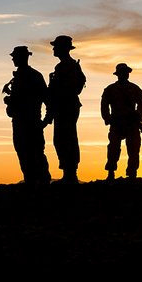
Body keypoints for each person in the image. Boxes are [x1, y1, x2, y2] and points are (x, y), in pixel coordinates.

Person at [2, 46, 52, 189]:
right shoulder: (20, 77)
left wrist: (46, 120)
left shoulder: (34, 76)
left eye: (15, 56)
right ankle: (32, 182)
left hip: (30, 121)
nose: (12, 59)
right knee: (23, 152)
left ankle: (42, 183)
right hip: (20, 121)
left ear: (22, 58)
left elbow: (46, 98)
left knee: (35, 152)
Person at [43, 35, 86, 185]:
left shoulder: (66, 66)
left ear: (63, 48)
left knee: (65, 139)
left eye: (56, 46)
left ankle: (70, 174)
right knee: (63, 139)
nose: (54, 49)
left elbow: (67, 89)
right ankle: (68, 173)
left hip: (66, 106)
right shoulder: (66, 66)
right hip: (65, 106)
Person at [100, 63, 142, 181]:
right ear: (118, 74)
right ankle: (111, 173)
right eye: (122, 72)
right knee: (113, 149)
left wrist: (139, 116)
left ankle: (132, 173)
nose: (125, 74)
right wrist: (108, 118)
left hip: (132, 124)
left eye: (126, 72)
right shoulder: (110, 89)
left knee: (133, 149)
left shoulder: (135, 89)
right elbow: (104, 106)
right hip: (117, 123)